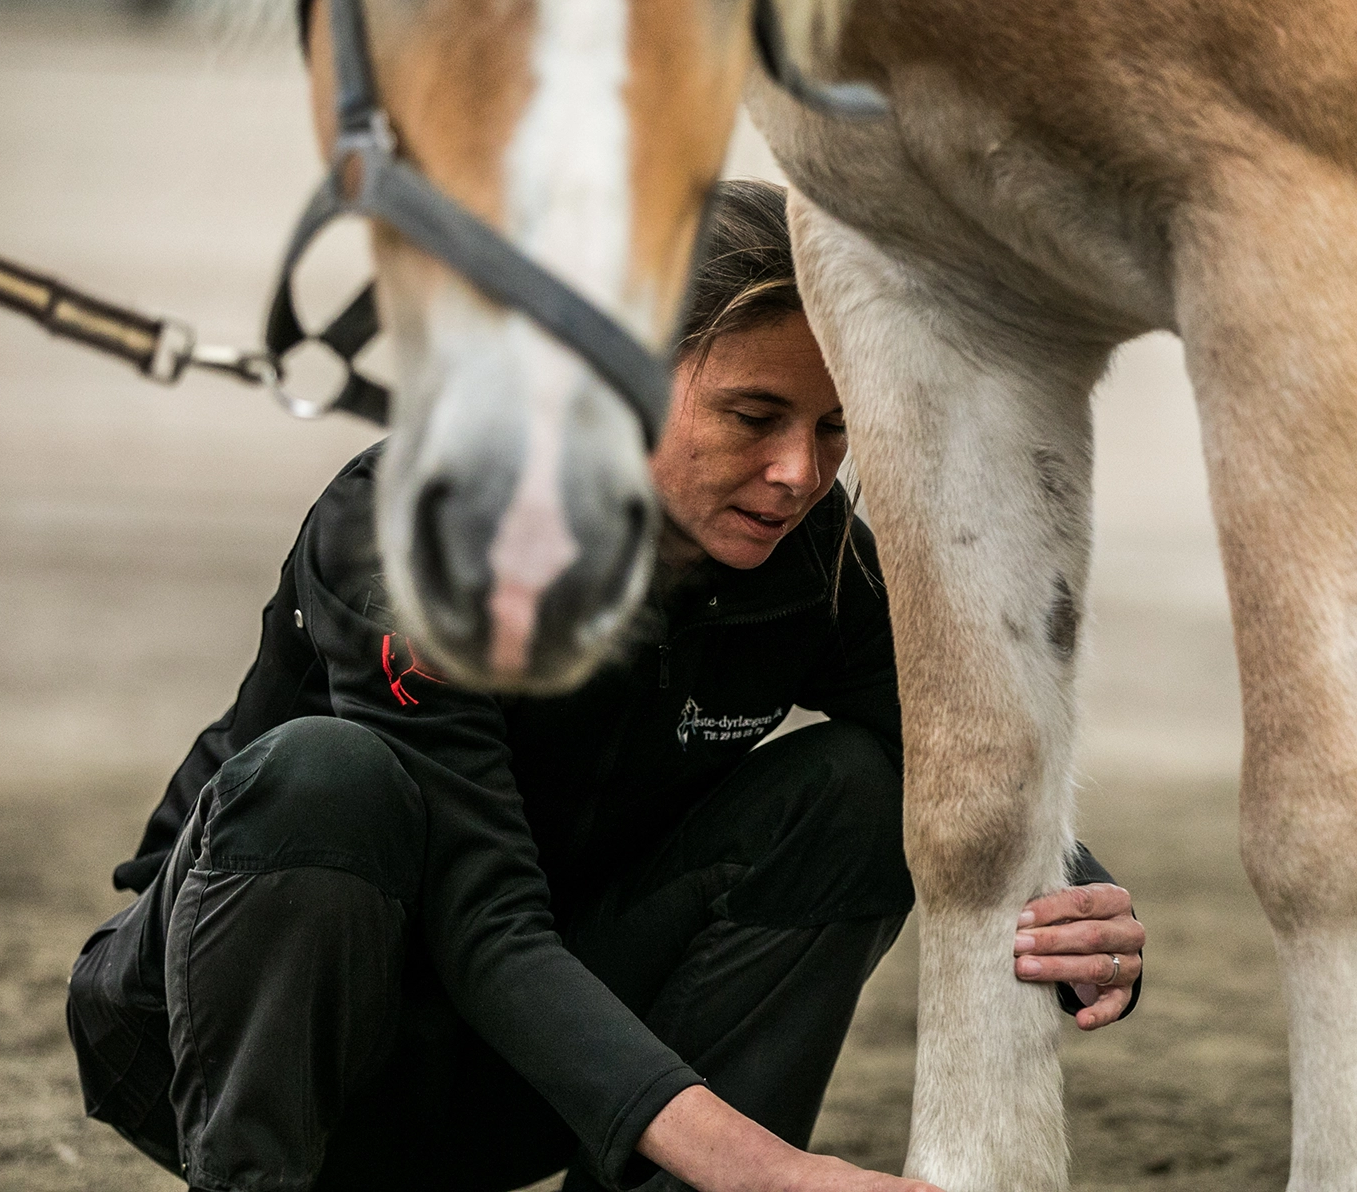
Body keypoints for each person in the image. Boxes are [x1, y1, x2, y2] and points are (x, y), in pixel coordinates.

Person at [66, 180, 1145, 1192]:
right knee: (323, 775)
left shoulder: (813, 557)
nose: (800, 474)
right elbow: (487, 925)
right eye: (753, 414)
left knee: (862, 790)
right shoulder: (415, 536)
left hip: (516, 1077)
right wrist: (765, 1166)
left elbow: (961, 758)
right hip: (212, 1046)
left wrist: (1075, 899)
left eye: (834, 427)